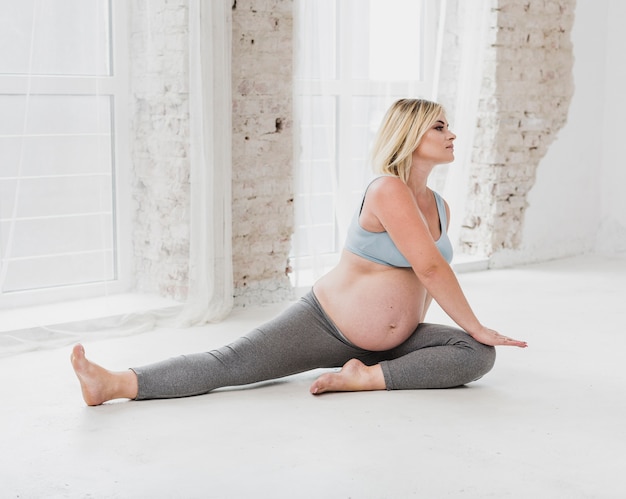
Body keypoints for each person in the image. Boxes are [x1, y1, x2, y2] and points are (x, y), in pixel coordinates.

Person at [71, 98, 527, 406]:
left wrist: (469, 336)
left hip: (390, 343)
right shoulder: (388, 189)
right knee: (229, 365)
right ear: (409, 135)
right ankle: (111, 383)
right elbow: (428, 268)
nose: (452, 134)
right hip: (325, 324)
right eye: (439, 126)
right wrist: (477, 324)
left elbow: (427, 280)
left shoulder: (441, 206)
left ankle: (365, 377)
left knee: (475, 355)